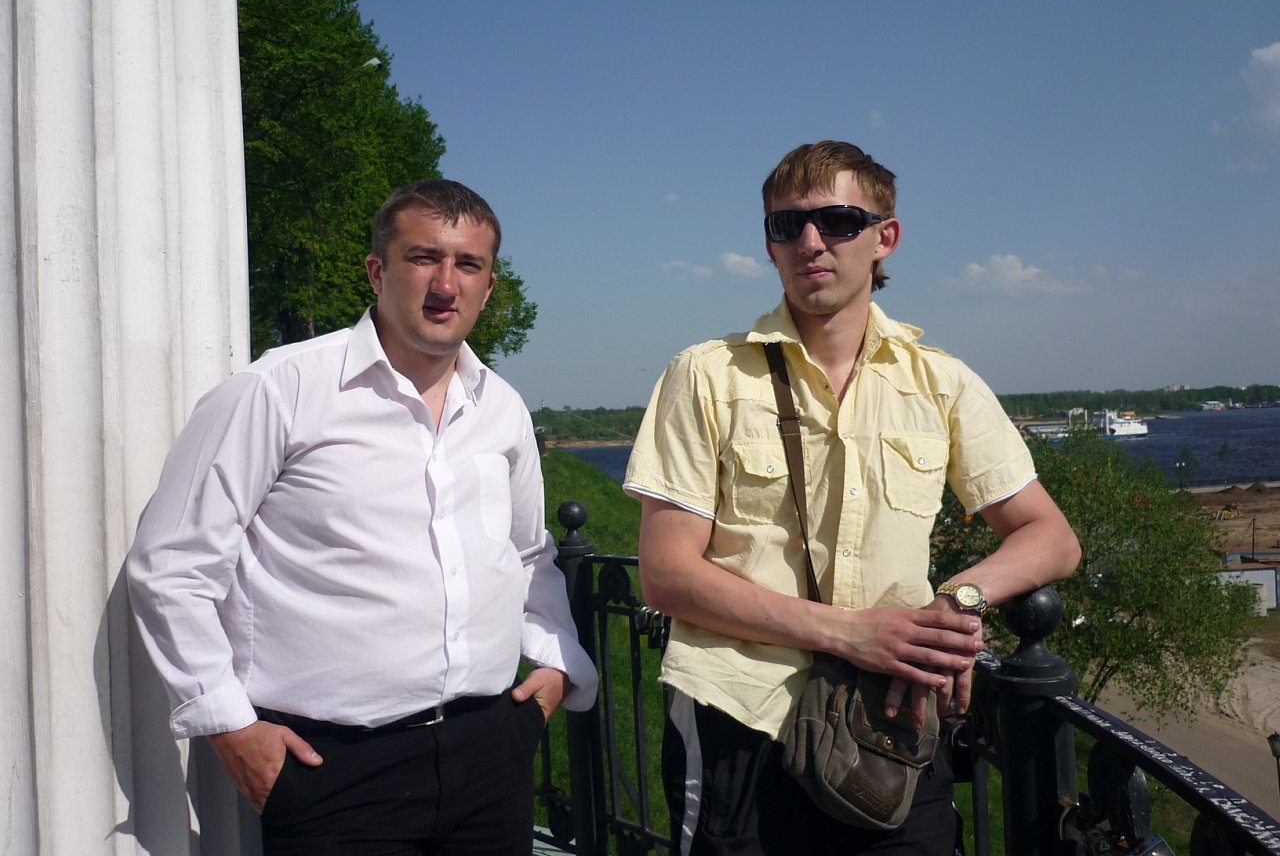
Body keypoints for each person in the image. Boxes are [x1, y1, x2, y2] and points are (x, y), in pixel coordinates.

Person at [624, 141, 1081, 855]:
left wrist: (956, 601)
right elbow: (667, 574)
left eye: (838, 221)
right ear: (770, 246)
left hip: (889, 726)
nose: (811, 242)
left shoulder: (940, 383)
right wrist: (847, 634)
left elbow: (1050, 537)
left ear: (884, 237)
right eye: (788, 225)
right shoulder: (707, 376)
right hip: (739, 720)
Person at [128, 178, 598, 855]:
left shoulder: (502, 408)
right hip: (334, 770)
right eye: (423, 257)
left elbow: (528, 554)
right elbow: (172, 565)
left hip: (491, 754)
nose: (446, 283)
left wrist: (554, 671)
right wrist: (229, 725)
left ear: (489, 286)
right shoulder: (278, 390)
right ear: (377, 271)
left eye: (468, 264)